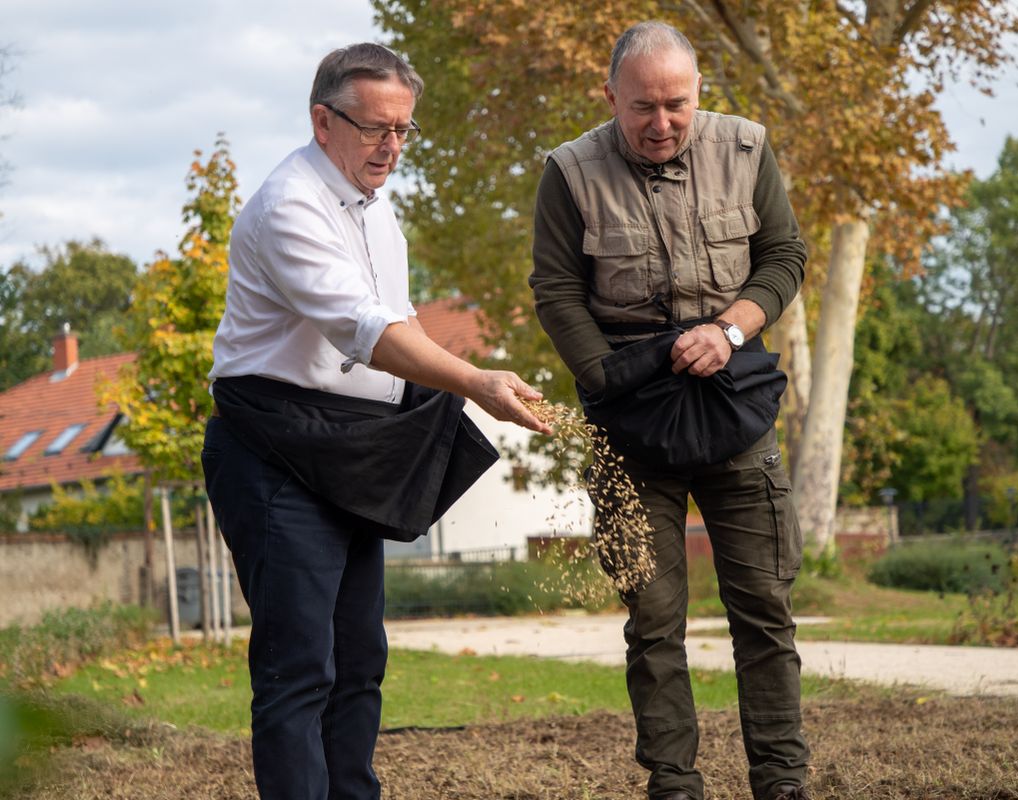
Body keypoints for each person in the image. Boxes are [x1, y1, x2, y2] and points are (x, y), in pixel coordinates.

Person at [203, 43, 550, 800]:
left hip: (352, 451)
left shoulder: (376, 213)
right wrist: (475, 382)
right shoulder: (288, 205)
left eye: (404, 130)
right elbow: (364, 330)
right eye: (374, 128)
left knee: (359, 659)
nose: (392, 147)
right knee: (300, 666)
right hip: (275, 448)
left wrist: (472, 381)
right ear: (322, 121)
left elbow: (404, 323)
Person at [530, 21, 812, 800]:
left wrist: (729, 330)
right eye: (643, 108)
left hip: (735, 411)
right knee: (653, 623)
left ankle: (783, 783)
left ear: (700, 95)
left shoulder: (749, 149)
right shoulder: (567, 172)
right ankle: (675, 786)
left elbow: (784, 258)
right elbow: (555, 291)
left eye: (677, 106)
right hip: (630, 428)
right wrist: (611, 378)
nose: (661, 124)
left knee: (764, 612)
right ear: (610, 96)